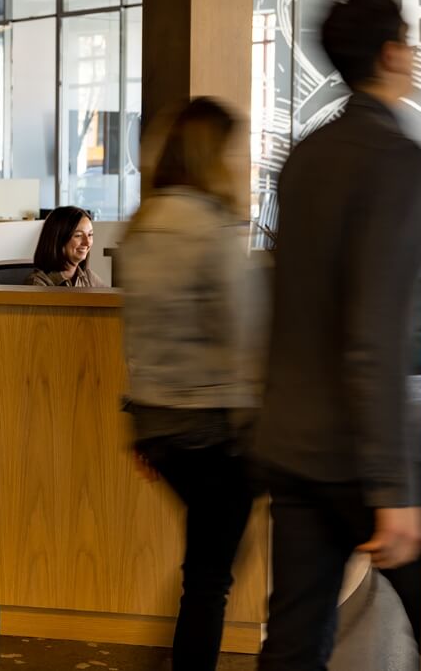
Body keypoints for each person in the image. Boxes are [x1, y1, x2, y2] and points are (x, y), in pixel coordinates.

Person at [256, 0, 421, 669]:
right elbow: (374, 334)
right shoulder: (395, 159)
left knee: (294, 643)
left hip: (290, 443)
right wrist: (392, 490)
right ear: (391, 54)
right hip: (353, 459)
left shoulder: (305, 157)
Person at [121, 98, 262, 670]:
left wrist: (144, 428)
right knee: (210, 578)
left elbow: (136, 335)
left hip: (160, 424)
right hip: (213, 428)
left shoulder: (142, 225)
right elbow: (239, 334)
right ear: (214, 154)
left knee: (206, 568)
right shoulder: (211, 228)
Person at [25, 206, 105, 287]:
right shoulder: (37, 284)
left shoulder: (87, 277)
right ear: (57, 239)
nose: (87, 242)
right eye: (78, 235)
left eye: (90, 234)